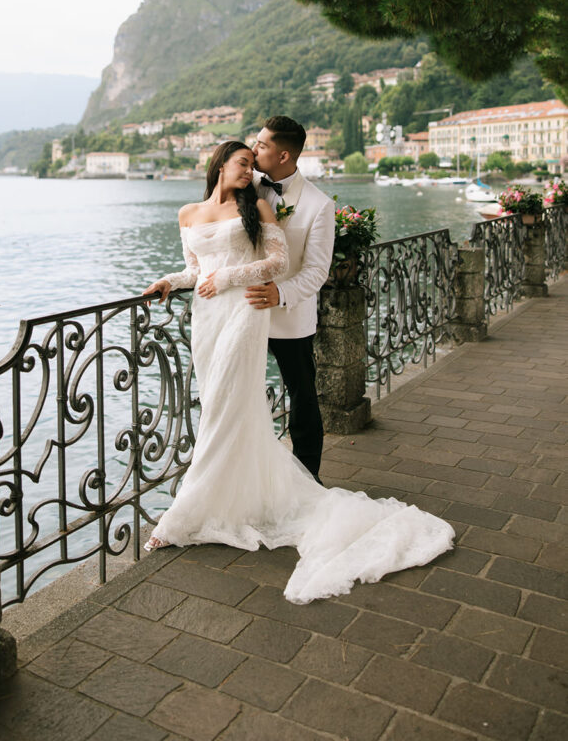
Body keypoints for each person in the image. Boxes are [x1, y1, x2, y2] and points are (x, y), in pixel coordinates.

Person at [142, 139, 454, 605]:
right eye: (242, 163)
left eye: (252, 164)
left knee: (224, 407)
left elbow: (279, 262)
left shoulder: (257, 209)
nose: (249, 171)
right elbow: (196, 271)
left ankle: (182, 517)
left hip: (245, 310)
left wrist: (227, 278)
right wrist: (170, 281)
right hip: (207, 320)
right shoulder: (188, 213)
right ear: (220, 164)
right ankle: (231, 497)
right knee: (218, 405)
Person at [249, 116, 334, 482]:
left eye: (262, 145)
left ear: (283, 155)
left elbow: (317, 271)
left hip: (290, 318)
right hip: (244, 312)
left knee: (302, 398)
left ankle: (308, 479)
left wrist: (280, 294)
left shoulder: (318, 205)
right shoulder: (245, 184)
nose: (254, 149)